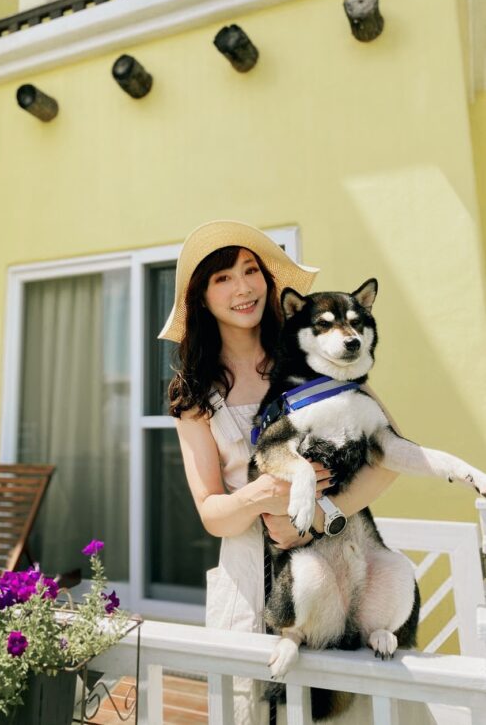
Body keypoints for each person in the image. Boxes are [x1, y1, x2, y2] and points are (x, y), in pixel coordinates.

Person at [159, 220, 434, 725]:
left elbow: (391, 454)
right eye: (223, 278)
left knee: (355, 714)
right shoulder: (193, 392)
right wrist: (262, 495)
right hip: (249, 588)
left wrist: (320, 517)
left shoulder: (316, 354)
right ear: (201, 297)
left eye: (250, 271)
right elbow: (213, 514)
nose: (242, 287)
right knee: (256, 712)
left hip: (341, 576)